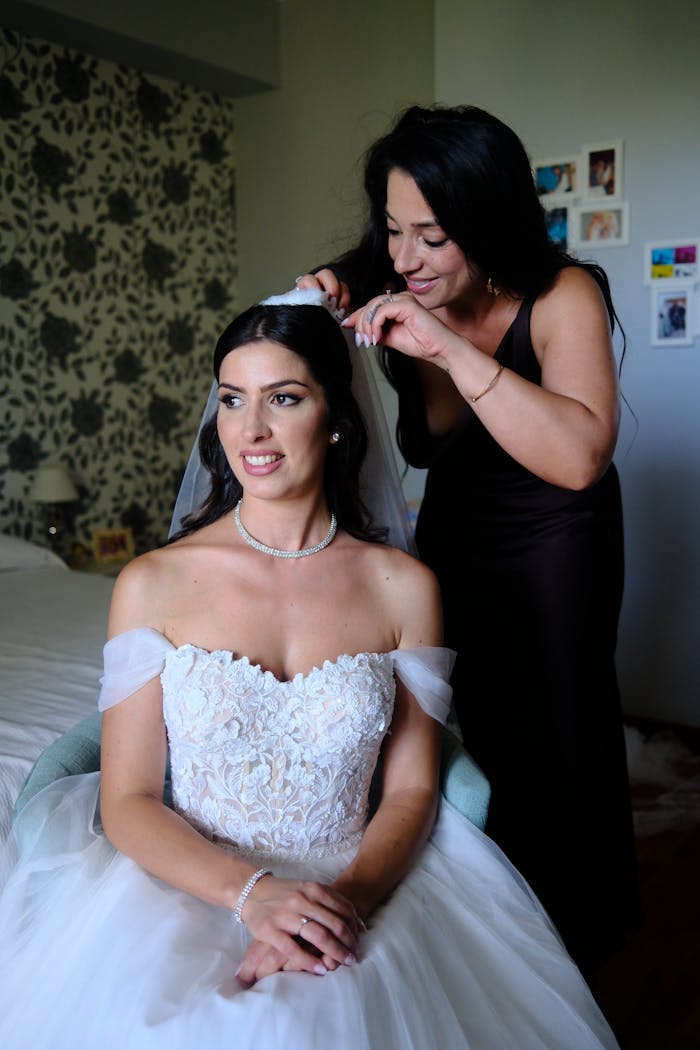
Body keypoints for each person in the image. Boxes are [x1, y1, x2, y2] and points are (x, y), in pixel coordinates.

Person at [0, 291, 620, 1048]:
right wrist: (254, 898)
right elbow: (127, 798)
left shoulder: (403, 587)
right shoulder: (152, 584)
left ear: (334, 418)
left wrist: (336, 906)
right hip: (186, 890)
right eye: (232, 400)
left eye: (282, 398)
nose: (250, 430)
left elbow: (415, 787)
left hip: (359, 884)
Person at [296, 103, 641, 975]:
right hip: (454, 533)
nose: (406, 258)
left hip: (560, 540)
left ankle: (576, 938)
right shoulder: (404, 277)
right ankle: (479, 933)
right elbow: (379, 283)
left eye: (433, 236)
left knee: (558, 730)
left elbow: (578, 456)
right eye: (391, 232)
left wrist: (448, 351)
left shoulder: (564, 295)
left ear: (485, 223)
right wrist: (335, 279)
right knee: (456, 722)